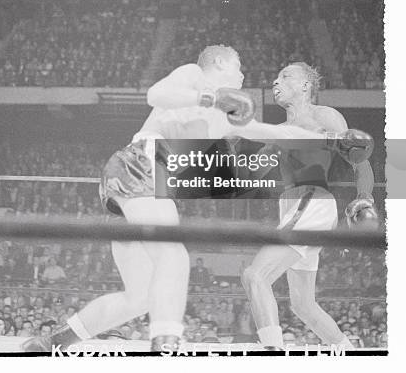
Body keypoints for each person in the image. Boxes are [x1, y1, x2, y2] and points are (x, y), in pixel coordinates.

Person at [23, 45, 255, 352]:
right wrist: (211, 98)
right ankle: (166, 343)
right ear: (221, 62)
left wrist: (331, 140)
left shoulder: (223, 115)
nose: (242, 74)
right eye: (239, 66)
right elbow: (157, 94)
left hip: (141, 180)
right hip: (143, 163)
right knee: (172, 253)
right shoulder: (195, 75)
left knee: (140, 296)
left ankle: (52, 341)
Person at [234, 62, 376, 350]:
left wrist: (364, 197)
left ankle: (272, 354)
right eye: (275, 77)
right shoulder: (279, 133)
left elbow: (360, 163)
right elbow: (247, 176)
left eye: (284, 75)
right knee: (303, 305)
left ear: (305, 85)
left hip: (312, 205)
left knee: (254, 275)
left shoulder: (324, 117)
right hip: (292, 210)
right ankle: (349, 355)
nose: (276, 81)